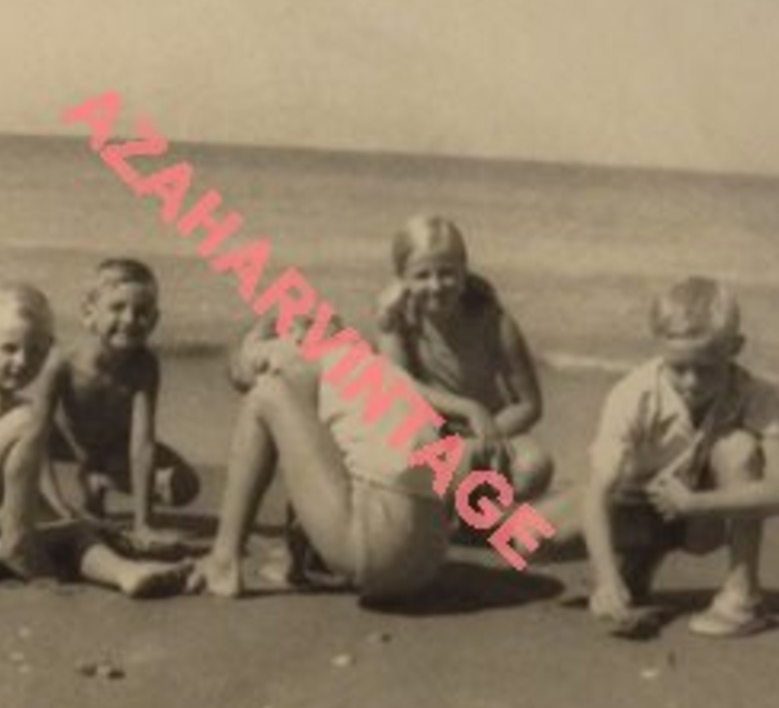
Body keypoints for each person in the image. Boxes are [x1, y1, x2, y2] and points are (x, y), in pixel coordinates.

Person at [0, 284, 190, 596]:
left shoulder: (6, 405)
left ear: (50, 349)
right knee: (32, 417)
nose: (22, 361)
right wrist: (33, 526)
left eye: (36, 350)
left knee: (75, 536)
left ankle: (126, 574)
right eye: (9, 348)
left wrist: (69, 520)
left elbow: (21, 485)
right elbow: (8, 495)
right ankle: (17, 543)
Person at [578, 276, 779, 637]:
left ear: (735, 347)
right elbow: (598, 493)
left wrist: (695, 505)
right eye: (678, 367)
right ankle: (639, 560)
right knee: (522, 541)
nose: (691, 382)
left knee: (738, 447)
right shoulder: (632, 395)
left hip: (704, 516)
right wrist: (605, 582)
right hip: (635, 504)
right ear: (659, 349)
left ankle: (742, 597)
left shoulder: (755, 394)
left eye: (706, 367)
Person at [188, 314, 450, 602]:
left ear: (290, 336)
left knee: (266, 396)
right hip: (430, 557)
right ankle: (294, 560)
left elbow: (305, 460)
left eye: (251, 365)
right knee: (300, 424)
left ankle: (223, 559)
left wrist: (265, 381)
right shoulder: (361, 363)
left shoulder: (293, 363)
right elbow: (315, 460)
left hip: (374, 546)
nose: (265, 369)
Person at [375, 214, 553, 502]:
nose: (435, 285)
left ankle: (469, 512)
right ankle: (459, 508)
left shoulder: (493, 321)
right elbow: (400, 387)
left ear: (464, 272)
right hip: (428, 431)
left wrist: (487, 434)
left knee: (535, 466)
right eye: (422, 275)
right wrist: (469, 408)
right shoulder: (395, 318)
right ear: (402, 280)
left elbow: (529, 404)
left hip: (489, 428)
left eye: (447, 273)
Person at [35, 259, 200, 553]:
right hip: (63, 443)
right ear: (89, 313)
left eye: (142, 312)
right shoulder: (62, 363)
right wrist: (58, 507)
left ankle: (100, 482)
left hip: (112, 448)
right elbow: (35, 438)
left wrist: (143, 524)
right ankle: (55, 499)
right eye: (117, 308)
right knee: (21, 432)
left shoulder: (144, 366)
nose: (129, 319)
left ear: (155, 320)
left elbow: (142, 445)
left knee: (184, 485)